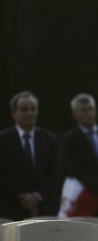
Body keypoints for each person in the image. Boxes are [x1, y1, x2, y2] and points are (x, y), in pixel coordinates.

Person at [0, 91, 61, 220]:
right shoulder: (3, 140)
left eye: (33, 109)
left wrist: (37, 197)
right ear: (13, 113)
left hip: (45, 209)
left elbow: (55, 172)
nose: (30, 113)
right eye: (24, 109)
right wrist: (24, 199)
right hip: (12, 210)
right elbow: (3, 175)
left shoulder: (50, 139)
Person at [60, 93, 98, 217]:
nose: (89, 113)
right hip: (85, 198)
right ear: (75, 114)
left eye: (91, 109)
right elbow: (77, 170)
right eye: (84, 110)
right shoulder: (69, 139)